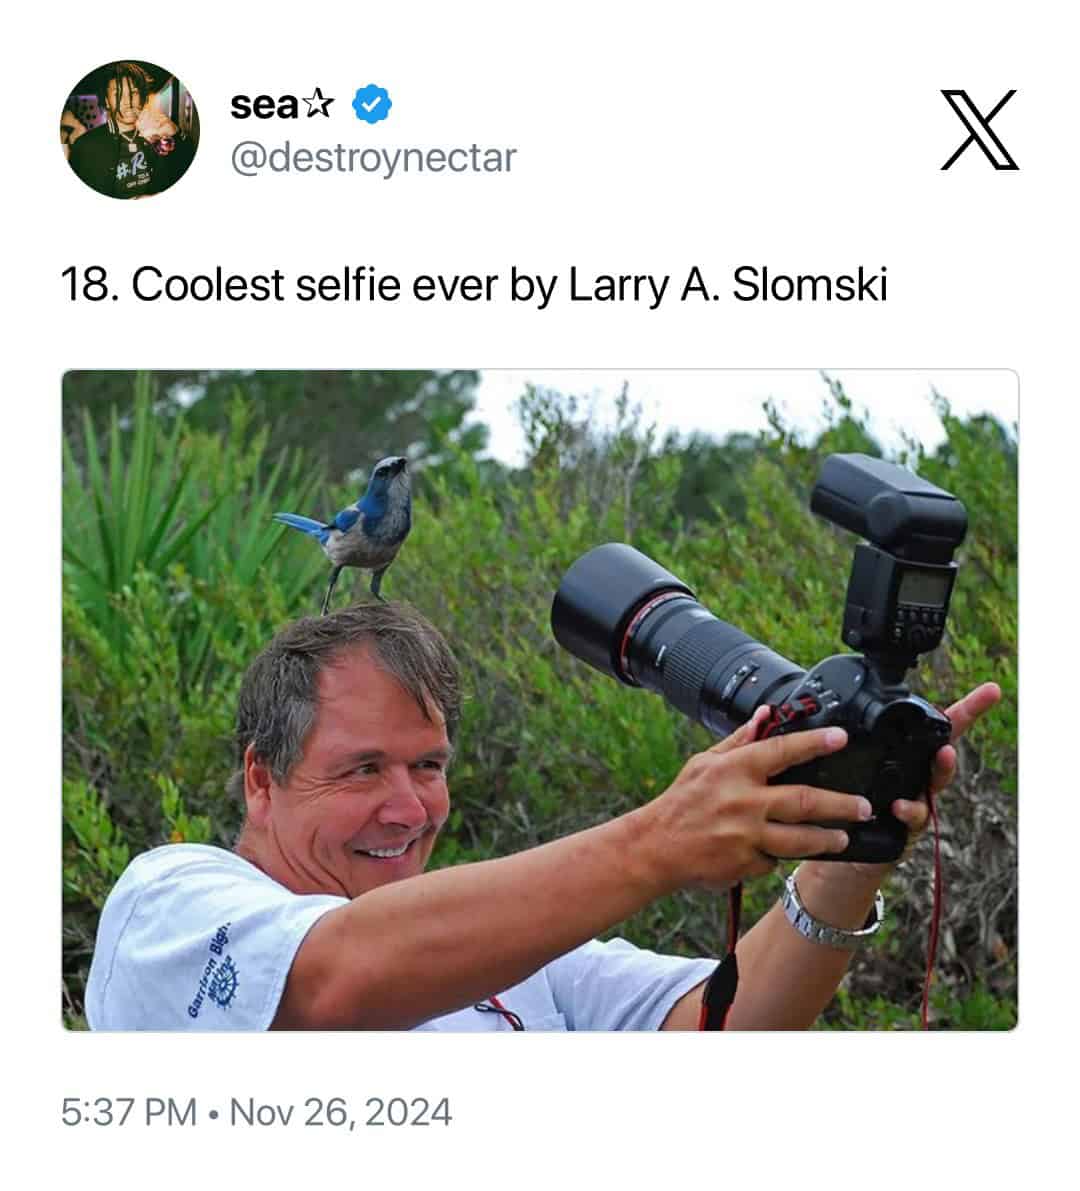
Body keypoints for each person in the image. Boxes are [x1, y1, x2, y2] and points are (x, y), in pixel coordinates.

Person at [85, 602, 1000, 1031]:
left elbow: (724, 1026)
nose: (407, 806)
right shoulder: (171, 903)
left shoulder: (515, 955)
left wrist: (851, 836)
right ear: (261, 778)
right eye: (362, 768)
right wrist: (662, 838)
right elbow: (336, 978)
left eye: (429, 765)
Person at [67, 62, 195, 198]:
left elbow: (183, 167)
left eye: (134, 92)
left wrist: (176, 132)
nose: (128, 101)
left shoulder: (156, 133)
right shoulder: (85, 146)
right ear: (107, 101)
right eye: (118, 94)